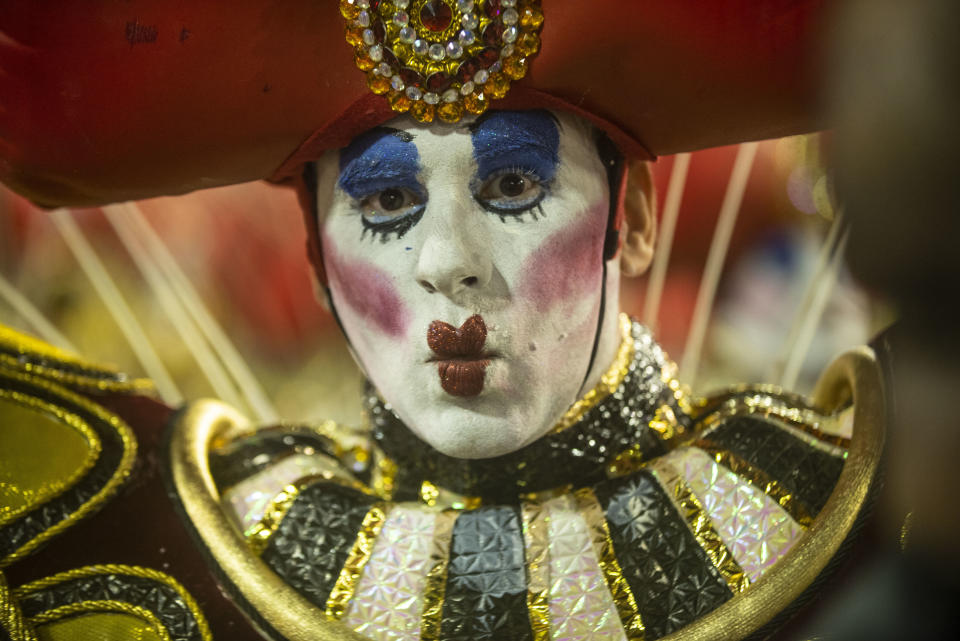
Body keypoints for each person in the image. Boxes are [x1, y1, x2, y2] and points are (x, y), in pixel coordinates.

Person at [0, 2, 885, 640]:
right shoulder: (170, 544)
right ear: (316, 259)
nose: (444, 261)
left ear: (636, 219)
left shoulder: (867, 501)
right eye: (386, 200)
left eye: (511, 186)